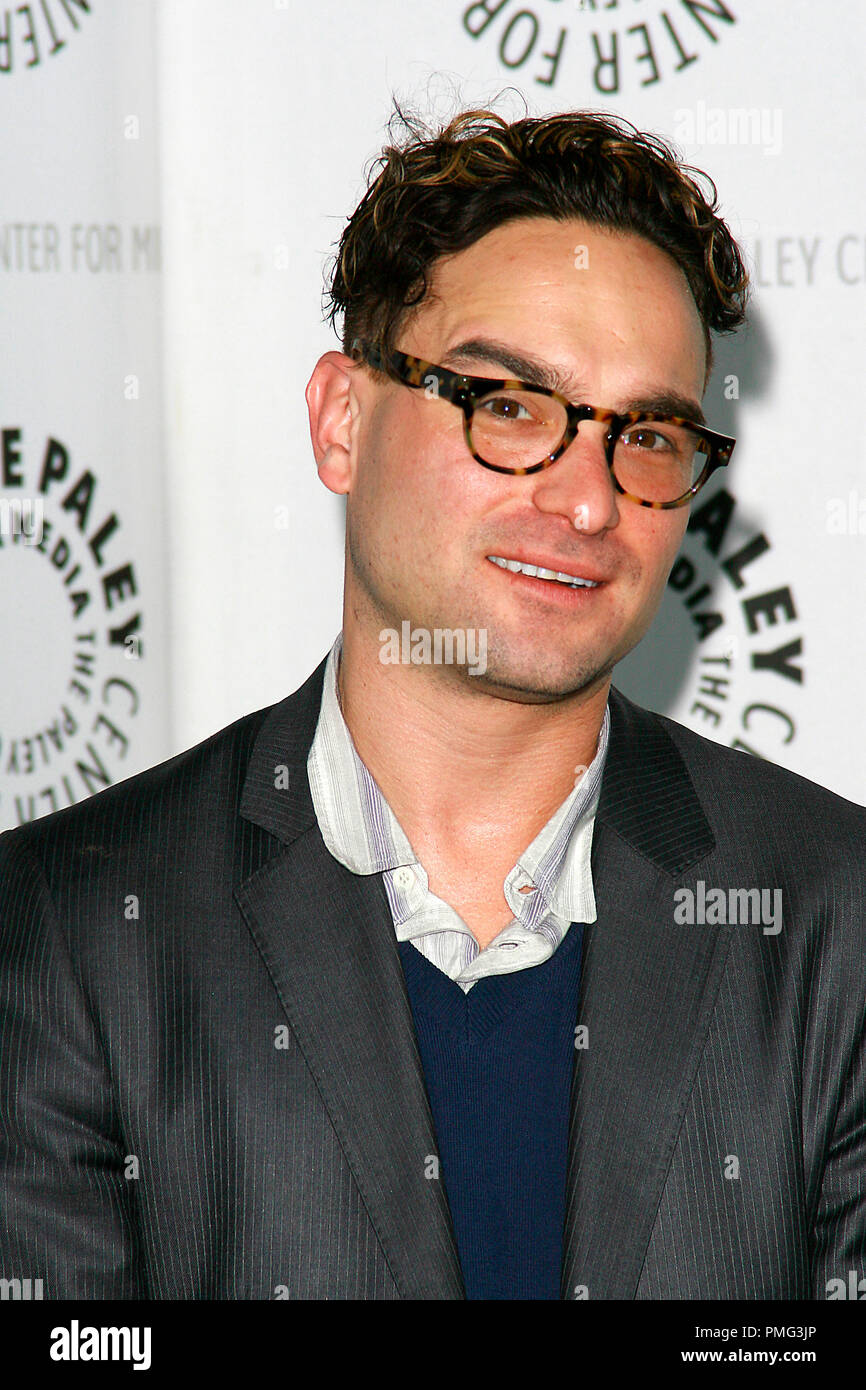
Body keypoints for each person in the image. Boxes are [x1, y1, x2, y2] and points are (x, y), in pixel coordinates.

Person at [0, 104, 863, 1303]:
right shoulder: (69, 929)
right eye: (508, 403)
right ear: (340, 420)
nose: (586, 501)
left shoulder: (832, 919)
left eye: (647, 433)